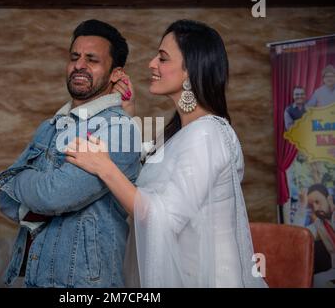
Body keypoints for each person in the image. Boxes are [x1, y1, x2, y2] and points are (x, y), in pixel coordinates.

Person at [65, 19, 268, 287]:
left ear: (189, 71)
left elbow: (162, 218)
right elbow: (141, 181)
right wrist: (129, 114)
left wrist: (104, 167)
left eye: (162, 58)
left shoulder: (207, 134)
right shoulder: (176, 134)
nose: (151, 64)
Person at [0, 19, 141, 287]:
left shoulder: (117, 129)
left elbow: (54, 196)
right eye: (75, 57)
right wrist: (40, 192)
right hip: (32, 279)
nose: (80, 65)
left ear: (115, 74)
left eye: (92, 59)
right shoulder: (49, 126)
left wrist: (23, 183)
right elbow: (5, 198)